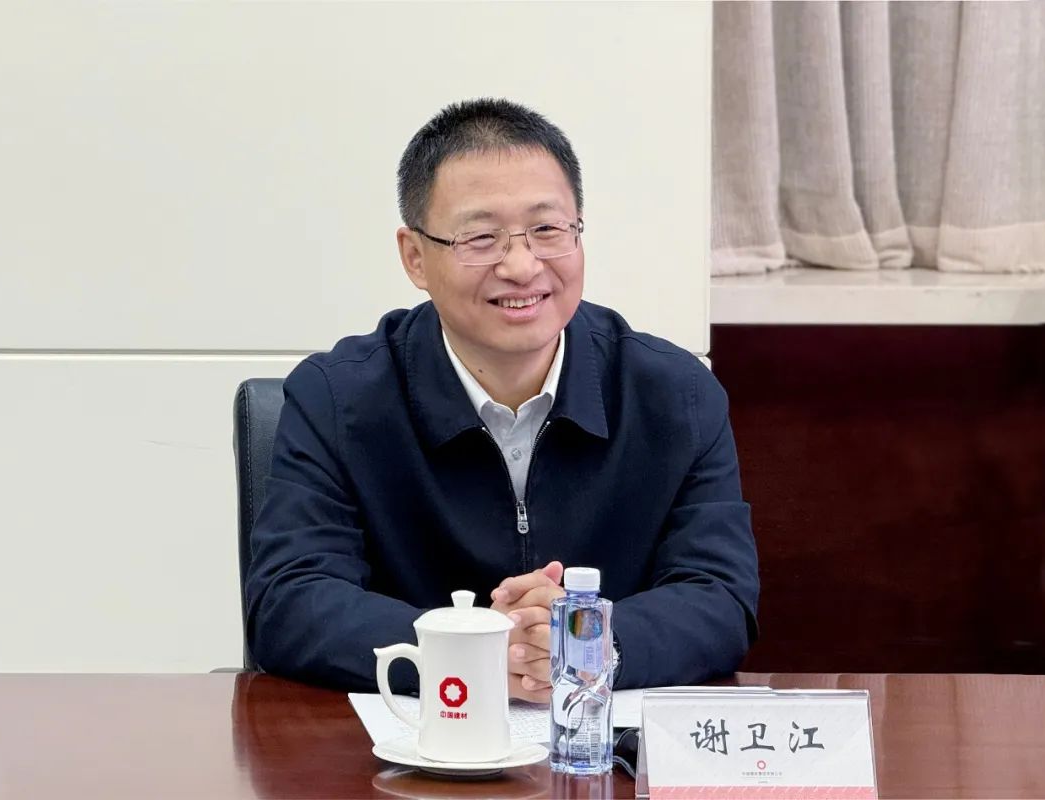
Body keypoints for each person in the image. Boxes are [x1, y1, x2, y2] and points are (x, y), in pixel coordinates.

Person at [246, 98, 759, 702]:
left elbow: (720, 598)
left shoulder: (675, 395)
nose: (521, 265)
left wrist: (586, 640)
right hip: (409, 741)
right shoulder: (336, 398)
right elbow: (289, 600)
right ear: (415, 257)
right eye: (481, 237)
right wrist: (473, 648)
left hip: (599, 744)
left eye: (547, 230)